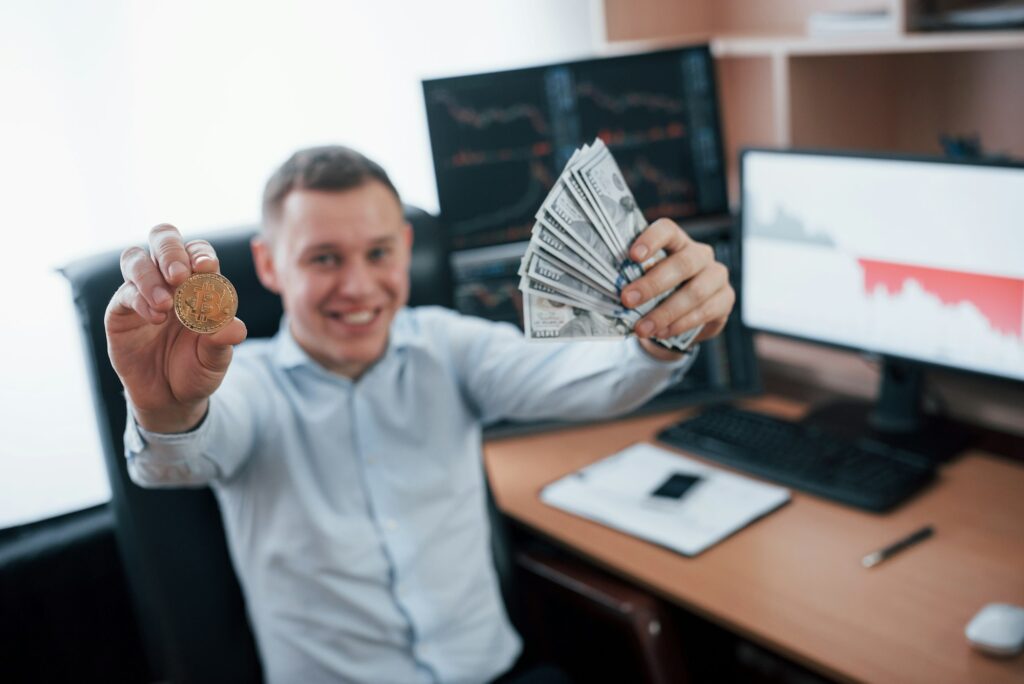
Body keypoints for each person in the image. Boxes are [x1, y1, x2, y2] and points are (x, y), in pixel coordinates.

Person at [106, 146, 735, 683]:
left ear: (406, 248)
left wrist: (664, 335)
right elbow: (182, 454)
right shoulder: (245, 385)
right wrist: (168, 405)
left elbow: (598, 381)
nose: (358, 286)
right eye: (323, 258)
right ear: (269, 263)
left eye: (378, 253)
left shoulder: (450, 346)